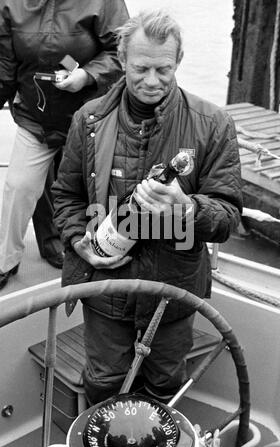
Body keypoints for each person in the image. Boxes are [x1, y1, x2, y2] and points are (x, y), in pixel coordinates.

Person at [52, 10, 243, 406]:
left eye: (164, 69)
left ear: (179, 62)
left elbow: (227, 216)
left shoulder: (213, 124)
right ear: (121, 60)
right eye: (141, 68)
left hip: (173, 292)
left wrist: (188, 209)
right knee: (104, 382)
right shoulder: (87, 119)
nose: (152, 81)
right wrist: (76, 240)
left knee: (165, 384)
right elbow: (66, 195)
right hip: (105, 288)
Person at [0, 0, 129, 289]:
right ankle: (5, 261)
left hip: (92, 117)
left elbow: (124, 50)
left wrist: (86, 75)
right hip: (36, 117)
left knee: (96, 187)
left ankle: (103, 247)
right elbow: (5, 65)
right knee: (18, 187)